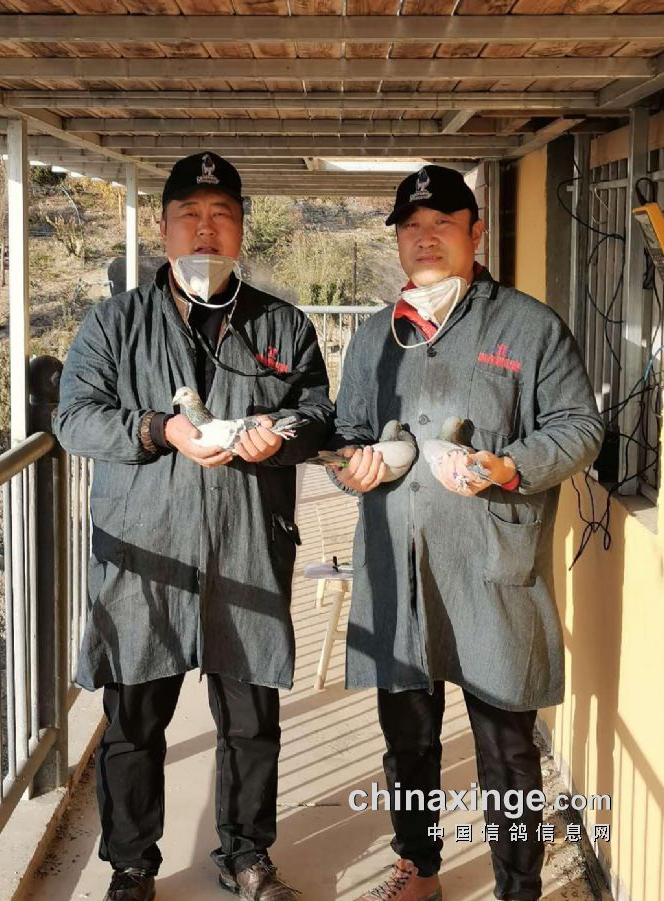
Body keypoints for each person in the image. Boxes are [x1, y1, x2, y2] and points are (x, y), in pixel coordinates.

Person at [56, 152, 334, 901]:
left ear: (241, 228)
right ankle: (132, 866)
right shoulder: (114, 323)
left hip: (248, 548)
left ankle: (246, 856)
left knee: (250, 719)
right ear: (163, 228)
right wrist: (158, 429)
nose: (205, 230)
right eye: (190, 215)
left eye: (221, 216)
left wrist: (284, 433)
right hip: (145, 556)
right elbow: (74, 418)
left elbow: (318, 412)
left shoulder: (283, 324)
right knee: (133, 719)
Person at [329, 164, 604, 901]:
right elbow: (347, 433)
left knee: (507, 753)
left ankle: (518, 889)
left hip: (490, 571)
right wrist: (353, 467)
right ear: (398, 239)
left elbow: (580, 427)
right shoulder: (372, 338)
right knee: (407, 741)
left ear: (475, 233)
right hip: (400, 571)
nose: (426, 238)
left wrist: (509, 466)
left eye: (443, 224)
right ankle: (419, 868)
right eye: (411, 227)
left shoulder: (528, 326)